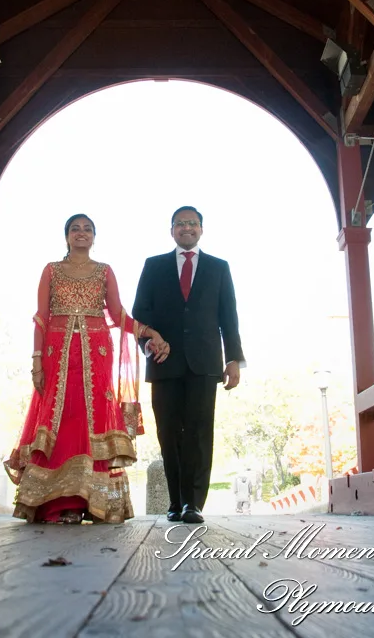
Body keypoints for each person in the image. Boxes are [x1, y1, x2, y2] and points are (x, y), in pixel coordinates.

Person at [5, 214, 169, 524]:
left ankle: (91, 502)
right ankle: (55, 502)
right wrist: (37, 361)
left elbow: (119, 314)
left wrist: (150, 332)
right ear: (66, 236)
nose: (81, 234)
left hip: (96, 353)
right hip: (57, 353)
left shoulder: (104, 271)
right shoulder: (51, 270)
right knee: (60, 416)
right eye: (75, 229)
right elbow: (41, 316)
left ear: (94, 237)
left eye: (87, 229)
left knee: (91, 420)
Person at [133, 206, 245, 525]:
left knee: (198, 432)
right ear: (171, 231)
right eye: (180, 224)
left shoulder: (219, 268)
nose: (186, 228)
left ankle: (193, 503)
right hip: (163, 361)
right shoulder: (153, 266)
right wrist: (148, 343)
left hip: (205, 362)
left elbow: (229, 317)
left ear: (201, 229)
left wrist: (233, 358)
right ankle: (175, 501)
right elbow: (141, 313)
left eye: (192, 223)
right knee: (169, 433)